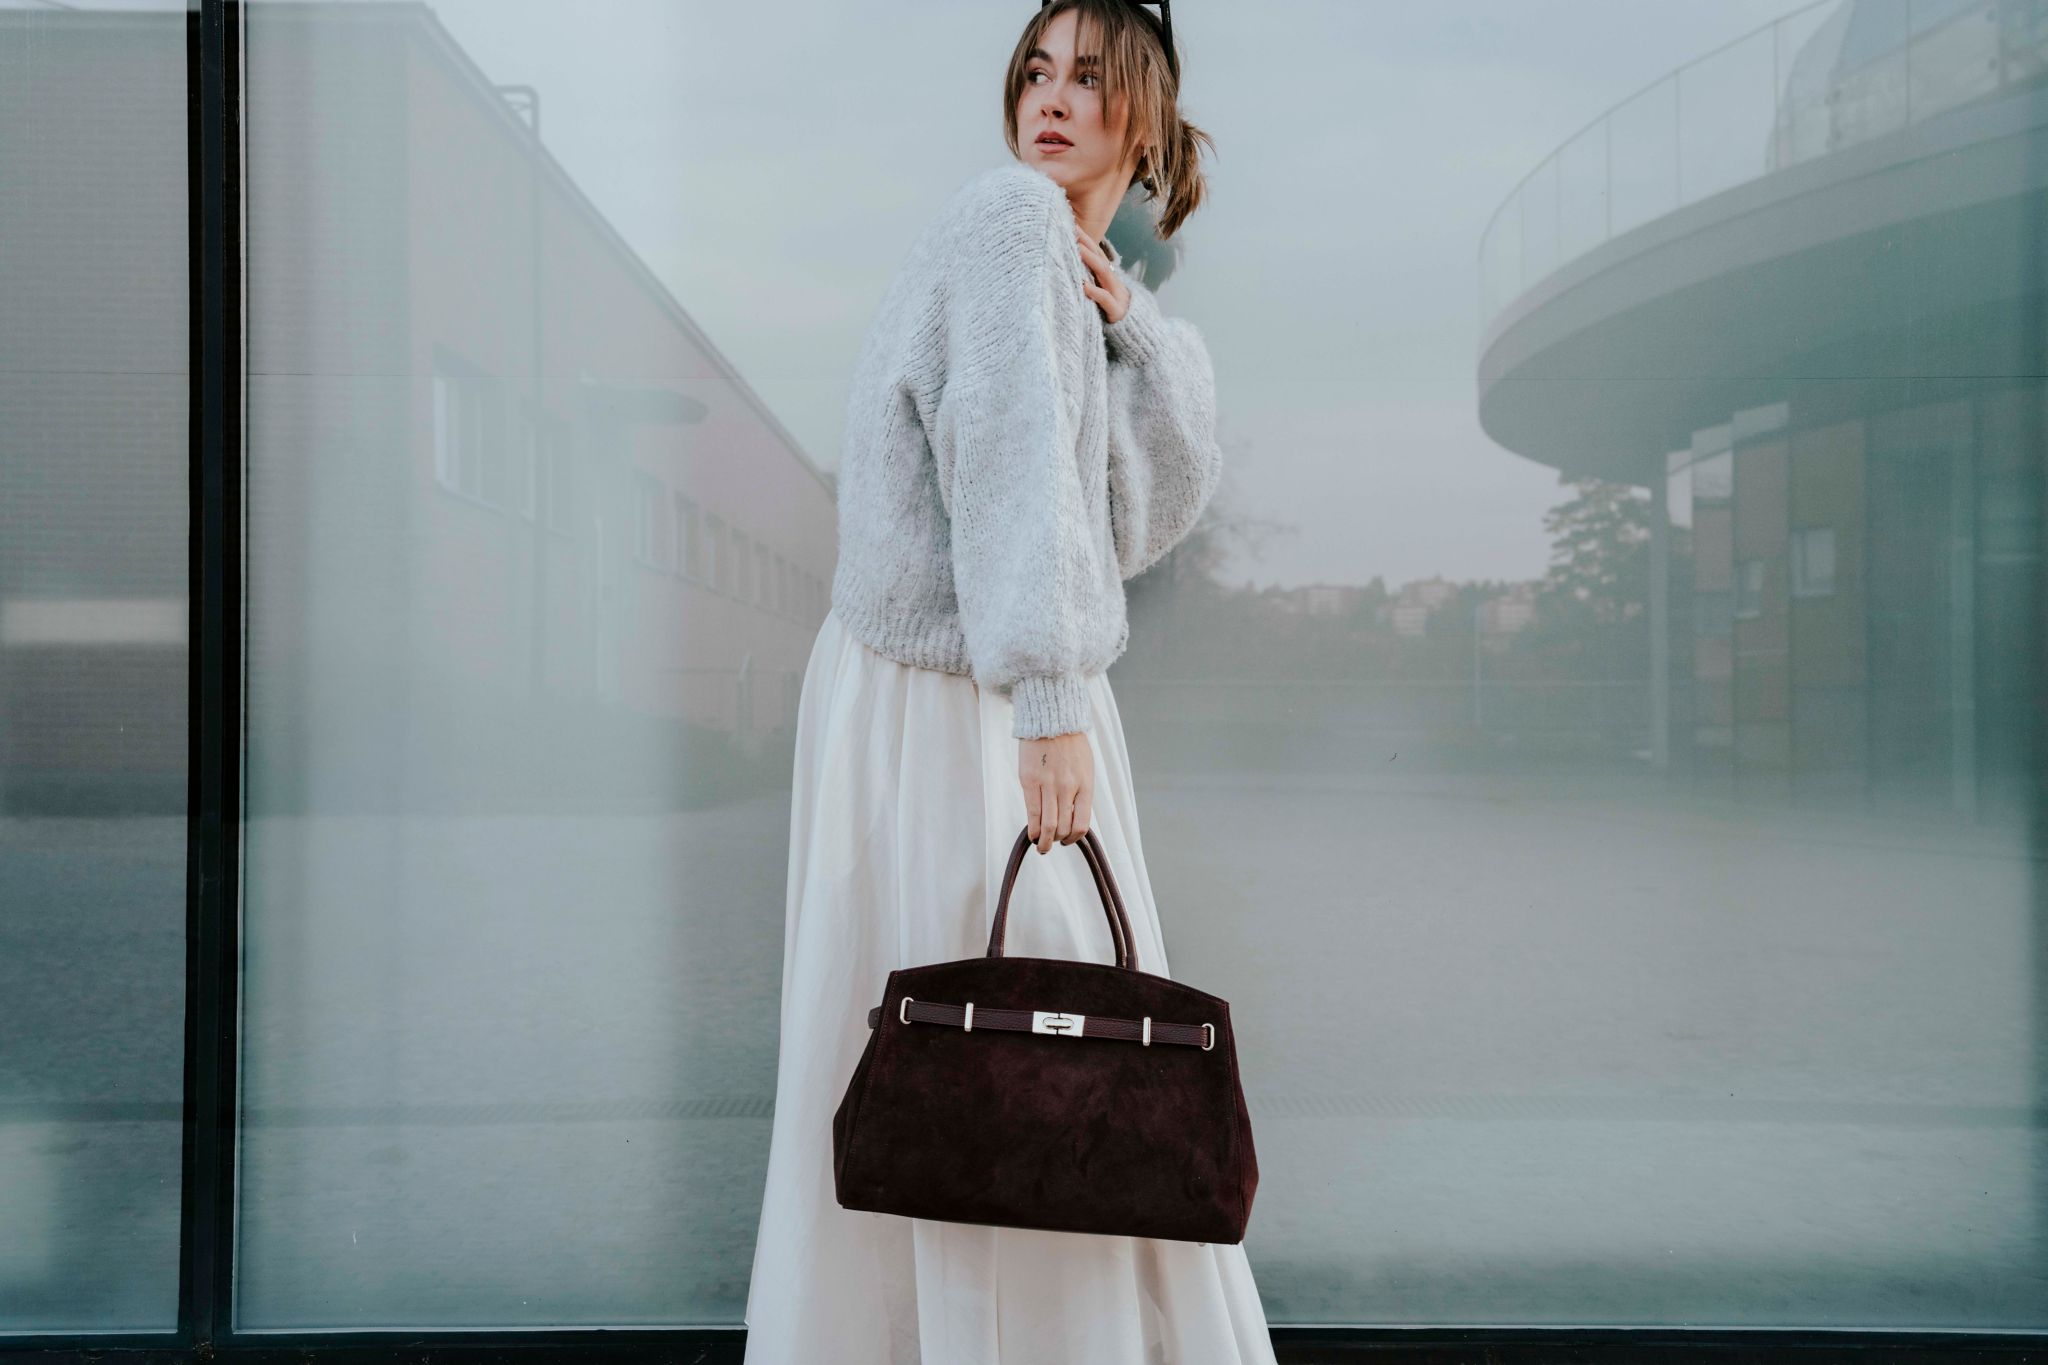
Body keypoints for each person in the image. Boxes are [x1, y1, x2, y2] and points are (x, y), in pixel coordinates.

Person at [742, 1, 1278, 1359]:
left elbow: (1135, 518)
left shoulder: (1063, 264)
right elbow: (1006, 462)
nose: (1050, 97)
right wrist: (1047, 699)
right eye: (1036, 70)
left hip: (989, 674)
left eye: (1088, 78)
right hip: (955, 689)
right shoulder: (1007, 220)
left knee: (988, 1033)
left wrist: (1138, 328)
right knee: (1012, 1037)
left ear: (1142, 114)